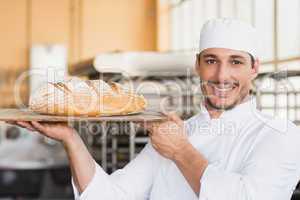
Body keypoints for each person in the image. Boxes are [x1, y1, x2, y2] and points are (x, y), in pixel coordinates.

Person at [8, 18, 300, 200]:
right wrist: (71, 139)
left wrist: (181, 152)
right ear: (198, 65)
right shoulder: (176, 132)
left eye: (236, 62)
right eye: (211, 61)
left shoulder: (282, 136)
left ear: (255, 68)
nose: (222, 76)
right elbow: (111, 196)